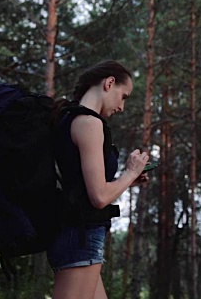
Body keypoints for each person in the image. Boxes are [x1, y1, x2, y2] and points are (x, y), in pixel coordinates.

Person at [47, 60, 149, 299]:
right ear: (109, 83)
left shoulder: (69, 118)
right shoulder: (89, 123)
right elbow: (99, 197)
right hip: (80, 234)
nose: (122, 106)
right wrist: (130, 172)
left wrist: (127, 181)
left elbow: (83, 186)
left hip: (77, 234)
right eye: (123, 96)